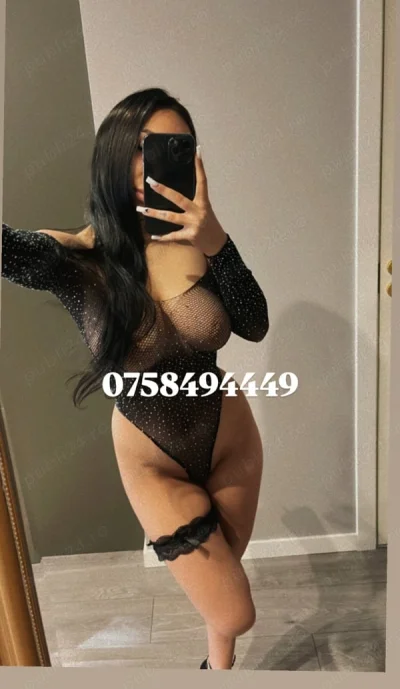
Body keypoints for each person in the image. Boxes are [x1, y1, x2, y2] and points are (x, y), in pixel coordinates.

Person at [1, 87, 269, 670]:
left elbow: (254, 325)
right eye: (143, 147)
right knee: (234, 611)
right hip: (152, 458)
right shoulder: (76, 258)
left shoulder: (203, 243)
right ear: (114, 152)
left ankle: (217, 671)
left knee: (221, 581)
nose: (154, 163)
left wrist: (218, 243)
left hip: (232, 437)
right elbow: (8, 250)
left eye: (174, 146)